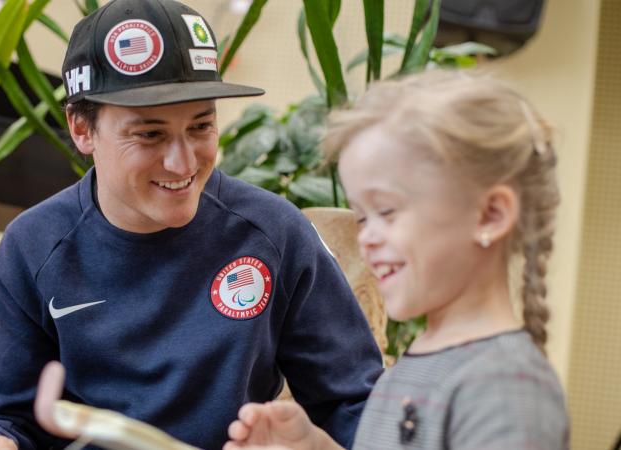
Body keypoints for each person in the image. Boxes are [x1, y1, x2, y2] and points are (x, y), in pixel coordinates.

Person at [0, 0, 383, 449]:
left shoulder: (275, 233)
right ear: (81, 128)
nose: (183, 163)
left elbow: (353, 404)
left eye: (200, 127)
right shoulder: (32, 246)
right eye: (150, 134)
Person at [224, 70, 571, 450]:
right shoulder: (415, 367)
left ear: (490, 214)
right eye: (361, 217)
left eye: (387, 211)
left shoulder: (506, 392)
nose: (366, 238)